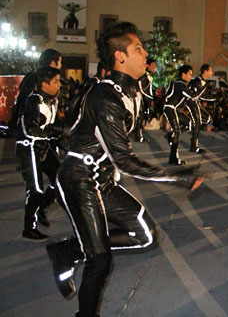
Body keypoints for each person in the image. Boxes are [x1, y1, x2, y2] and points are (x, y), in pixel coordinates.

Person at [46, 22, 204, 317]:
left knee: (146, 235)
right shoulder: (105, 98)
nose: (146, 54)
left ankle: (69, 251)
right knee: (100, 261)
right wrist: (178, 176)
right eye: (138, 49)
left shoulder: (130, 91)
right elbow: (125, 160)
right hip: (80, 180)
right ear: (120, 56)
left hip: (103, 182)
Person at [15, 66, 63, 240]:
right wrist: (52, 132)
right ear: (44, 83)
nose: (59, 84)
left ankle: (41, 206)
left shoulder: (53, 100)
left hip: (44, 147)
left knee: (60, 179)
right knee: (35, 189)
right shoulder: (33, 102)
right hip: (29, 148)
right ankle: (29, 228)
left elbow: (53, 125)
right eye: (56, 81)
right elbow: (29, 130)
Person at [10, 48, 62, 130]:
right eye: (60, 62)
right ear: (52, 63)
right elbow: (24, 100)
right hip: (32, 129)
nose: (60, 66)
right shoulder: (34, 78)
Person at [163, 65, 203, 165]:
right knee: (176, 133)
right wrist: (204, 88)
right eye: (189, 74)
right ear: (183, 74)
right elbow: (192, 96)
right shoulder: (180, 84)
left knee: (189, 123)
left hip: (174, 109)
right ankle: (173, 159)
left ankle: (170, 136)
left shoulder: (176, 83)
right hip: (171, 109)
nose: (190, 76)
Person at [187, 64, 214, 153]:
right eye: (210, 71)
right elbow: (201, 96)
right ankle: (194, 146)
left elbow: (202, 96)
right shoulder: (196, 82)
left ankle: (176, 132)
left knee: (207, 119)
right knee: (197, 123)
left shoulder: (203, 82)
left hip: (196, 104)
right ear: (205, 71)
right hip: (191, 104)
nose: (211, 73)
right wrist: (215, 98)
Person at [133, 58, 155, 142]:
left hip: (142, 98)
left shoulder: (148, 76)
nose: (154, 68)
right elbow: (142, 89)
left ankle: (138, 134)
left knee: (141, 116)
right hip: (138, 97)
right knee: (139, 116)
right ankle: (137, 135)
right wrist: (150, 99)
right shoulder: (143, 76)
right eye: (152, 65)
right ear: (147, 66)